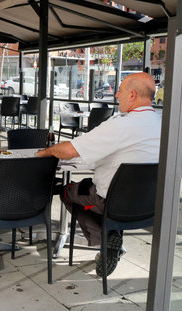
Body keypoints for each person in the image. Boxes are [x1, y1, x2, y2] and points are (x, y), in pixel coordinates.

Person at [36, 72, 160, 277]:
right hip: (149, 206)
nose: (116, 94)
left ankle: (107, 238)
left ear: (132, 95)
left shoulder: (121, 124)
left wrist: (44, 153)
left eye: (120, 90)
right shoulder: (164, 125)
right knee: (90, 187)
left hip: (110, 203)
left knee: (67, 191)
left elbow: (68, 150)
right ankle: (112, 236)